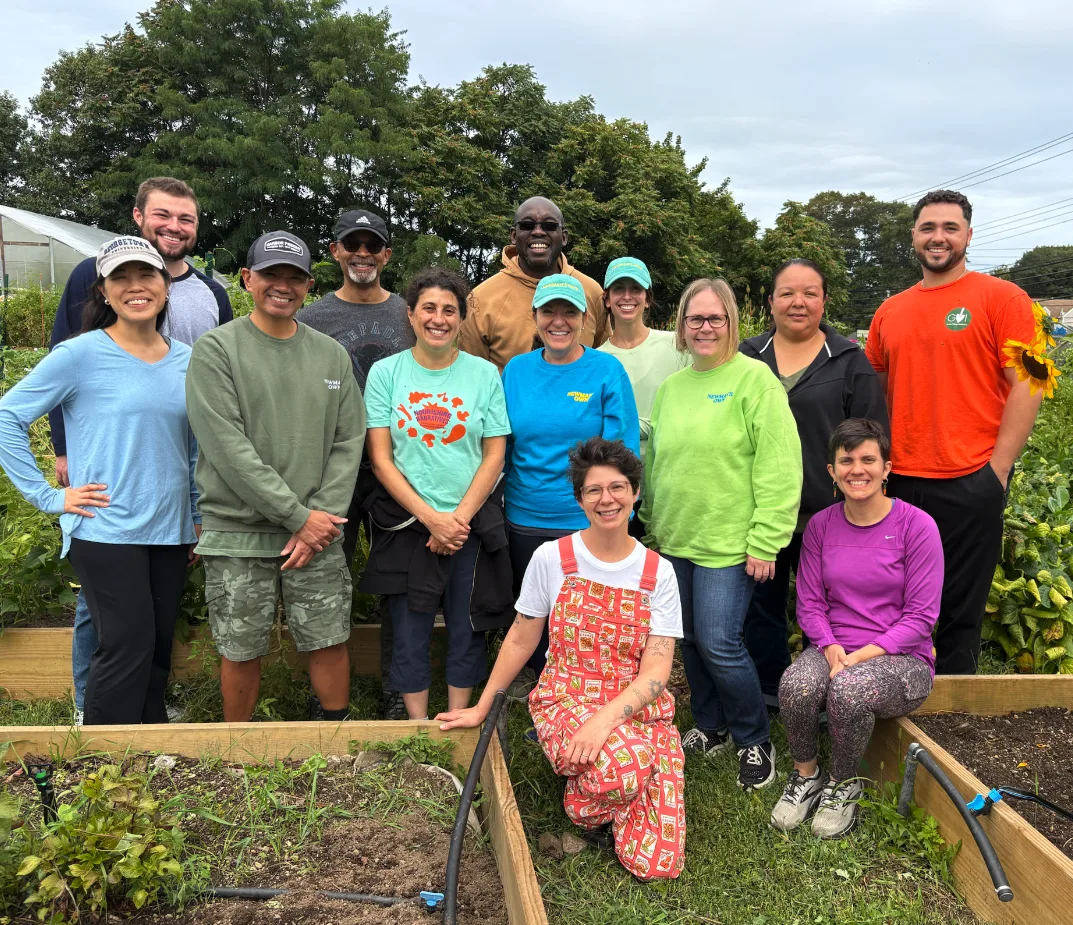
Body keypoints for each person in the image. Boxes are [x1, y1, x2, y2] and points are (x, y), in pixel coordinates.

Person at [438, 437, 685, 880]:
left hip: (634, 708)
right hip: (565, 699)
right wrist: (481, 706)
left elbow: (657, 669)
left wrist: (606, 720)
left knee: (658, 864)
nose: (606, 499)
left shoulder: (657, 572)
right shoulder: (553, 557)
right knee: (625, 770)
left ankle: (622, 769)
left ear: (635, 494)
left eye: (617, 488)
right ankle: (584, 803)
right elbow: (520, 637)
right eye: (594, 490)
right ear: (579, 499)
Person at [47, 176, 231, 724]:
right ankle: (98, 729)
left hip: (170, 510)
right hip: (106, 506)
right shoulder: (84, 328)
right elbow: (22, 404)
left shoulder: (199, 321)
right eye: (163, 216)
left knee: (151, 637)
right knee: (118, 634)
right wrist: (54, 480)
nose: (174, 227)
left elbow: (199, 428)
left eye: (186, 218)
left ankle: (149, 731)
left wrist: (199, 511)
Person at [0, 236, 199, 725]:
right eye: (121, 278)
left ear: (165, 286)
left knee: (155, 642)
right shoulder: (79, 355)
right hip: (104, 526)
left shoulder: (188, 359)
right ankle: (103, 753)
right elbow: (9, 416)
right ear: (104, 292)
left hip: (171, 529)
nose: (136, 287)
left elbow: (192, 448)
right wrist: (49, 496)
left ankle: (152, 743)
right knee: (126, 641)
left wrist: (195, 515)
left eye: (146, 275)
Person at [186, 231, 366, 722]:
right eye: (270, 275)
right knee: (241, 647)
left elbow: (349, 440)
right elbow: (227, 447)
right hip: (239, 533)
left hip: (319, 532)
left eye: (294, 278)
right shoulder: (216, 350)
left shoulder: (330, 355)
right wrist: (296, 516)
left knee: (328, 636)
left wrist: (320, 519)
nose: (282, 287)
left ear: (308, 285)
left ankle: (334, 734)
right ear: (248, 279)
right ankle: (237, 749)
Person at [866, 189, 1041, 674]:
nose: (937, 237)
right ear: (914, 237)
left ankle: (951, 710)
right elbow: (877, 393)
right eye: (928, 228)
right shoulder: (890, 311)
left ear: (968, 234)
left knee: (962, 606)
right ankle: (891, 699)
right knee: (895, 600)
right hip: (899, 480)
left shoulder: (1004, 299)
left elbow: (1030, 384)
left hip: (971, 476)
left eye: (949, 227)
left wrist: (997, 469)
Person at [641, 278, 801, 791]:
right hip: (676, 540)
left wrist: (766, 539)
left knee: (720, 643)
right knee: (688, 641)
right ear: (682, 328)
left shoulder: (755, 381)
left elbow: (780, 467)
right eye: (695, 319)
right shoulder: (671, 389)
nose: (705, 327)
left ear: (733, 323)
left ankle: (755, 739)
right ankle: (710, 728)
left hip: (730, 544)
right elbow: (657, 464)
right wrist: (654, 529)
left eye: (716, 318)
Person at [771, 418, 942, 838]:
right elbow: (809, 604)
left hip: (902, 659)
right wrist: (829, 648)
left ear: (887, 468)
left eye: (869, 459)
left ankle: (842, 784)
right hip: (835, 649)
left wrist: (862, 656)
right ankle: (806, 774)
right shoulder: (821, 526)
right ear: (832, 471)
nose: (857, 469)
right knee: (796, 683)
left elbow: (922, 616)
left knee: (850, 689)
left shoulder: (917, 526)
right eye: (846, 460)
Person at [360, 267, 513, 719]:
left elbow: (494, 454)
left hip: (470, 526)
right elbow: (381, 459)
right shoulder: (387, 374)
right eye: (429, 308)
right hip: (408, 524)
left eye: (449, 309)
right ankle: (418, 725)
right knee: (410, 627)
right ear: (410, 314)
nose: (439, 318)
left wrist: (457, 521)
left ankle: (458, 719)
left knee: (467, 627)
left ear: (461, 317)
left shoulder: (485, 375)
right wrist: (432, 519)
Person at [739, 259, 888, 706]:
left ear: (824, 300)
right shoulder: (748, 356)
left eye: (809, 293)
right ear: (771, 302)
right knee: (760, 606)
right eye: (786, 293)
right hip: (759, 509)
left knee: (825, 610)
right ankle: (769, 693)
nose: (797, 302)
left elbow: (870, 437)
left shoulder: (848, 361)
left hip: (825, 513)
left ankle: (821, 695)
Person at [296, 208, 414, 719]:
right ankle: (328, 689)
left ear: (386, 254)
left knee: (397, 584)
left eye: (373, 245)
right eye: (353, 244)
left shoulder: (409, 313)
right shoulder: (312, 317)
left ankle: (396, 685)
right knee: (328, 575)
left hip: (399, 468)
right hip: (332, 470)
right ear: (335, 251)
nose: (362, 254)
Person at [501, 274, 640, 678]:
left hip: (589, 519)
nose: (558, 321)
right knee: (533, 609)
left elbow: (623, 451)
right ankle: (536, 687)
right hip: (525, 515)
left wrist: (621, 514)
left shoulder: (606, 370)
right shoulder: (516, 370)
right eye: (549, 311)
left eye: (569, 312)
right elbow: (502, 444)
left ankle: (589, 686)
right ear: (535, 317)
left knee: (588, 616)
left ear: (584, 318)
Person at [460, 196, 608, 370]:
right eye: (527, 226)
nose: (538, 232)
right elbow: (474, 378)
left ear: (564, 237)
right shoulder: (480, 299)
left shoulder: (591, 292)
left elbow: (602, 363)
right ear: (514, 236)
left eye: (550, 226)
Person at [596, 257, 687, 537]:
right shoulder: (596, 360)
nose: (627, 296)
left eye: (635, 289)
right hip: (618, 491)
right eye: (618, 289)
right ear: (607, 299)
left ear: (647, 299)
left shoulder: (678, 346)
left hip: (673, 484)